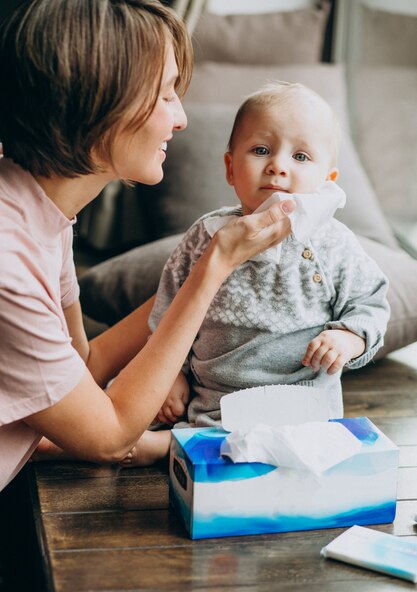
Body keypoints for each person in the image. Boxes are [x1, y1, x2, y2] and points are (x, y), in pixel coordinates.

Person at [0, 0, 295, 491]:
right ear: (95, 101)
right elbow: (111, 434)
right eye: (163, 96)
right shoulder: (9, 256)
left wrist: (201, 273)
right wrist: (213, 268)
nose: (180, 119)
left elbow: (85, 365)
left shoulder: (39, 213)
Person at [127, 81, 390, 464]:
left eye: (300, 157)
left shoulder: (334, 244)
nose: (278, 166)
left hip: (301, 401)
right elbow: (170, 312)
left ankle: (169, 448)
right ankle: (183, 443)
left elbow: (371, 304)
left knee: (304, 447)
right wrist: (173, 376)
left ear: (327, 181)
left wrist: (350, 340)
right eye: (261, 150)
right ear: (231, 167)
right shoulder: (206, 237)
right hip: (216, 398)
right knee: (210, 434)